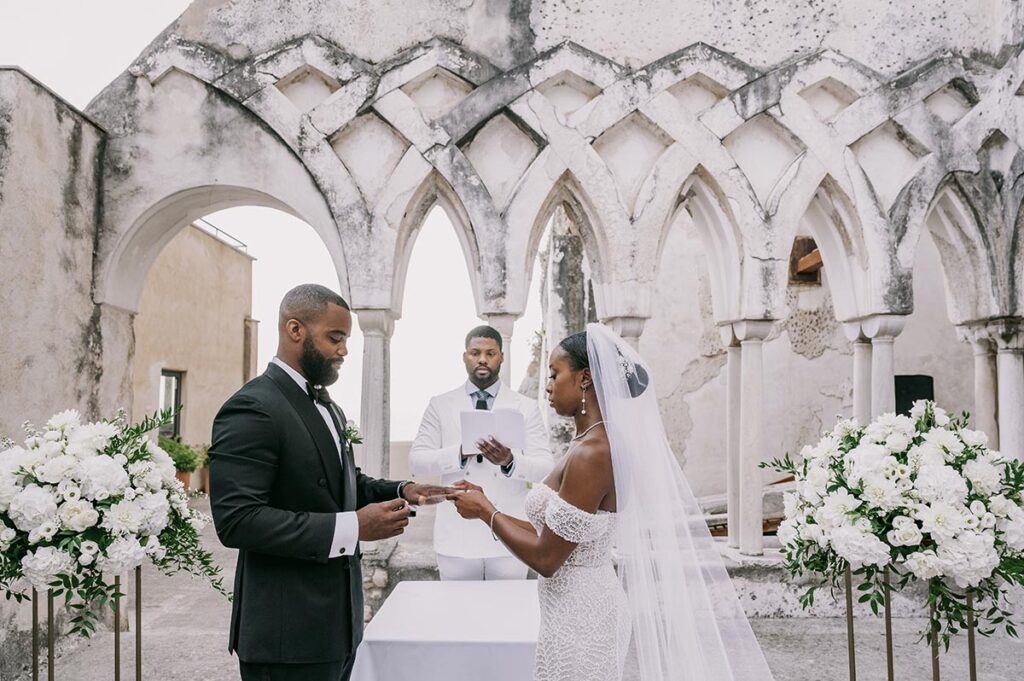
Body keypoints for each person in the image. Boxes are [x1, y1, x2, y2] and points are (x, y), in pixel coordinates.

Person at [450, 323, 775, 681]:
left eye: (555, 374)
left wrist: (486, 513)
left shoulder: (594, 453)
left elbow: (547, 558)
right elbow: (552, 534)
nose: (547, 386)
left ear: (585, 378)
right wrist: (485, 502)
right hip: (570, 612)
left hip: (583, 619)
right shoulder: (586, 443)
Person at [209, 284, 449, 681]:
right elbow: (238, 520)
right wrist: (355, 526)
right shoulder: (252, 406)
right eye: (335, 338)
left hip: (338, 628)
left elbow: (342, 482)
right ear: (295, 330)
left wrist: (402, 490)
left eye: (346, 340)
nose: (344, 351)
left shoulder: (325, 405)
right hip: (287, 636)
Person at [409, 325, 553, 580]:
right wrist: (460, 452)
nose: (483, 359)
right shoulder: (440, 405)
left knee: (507, 614)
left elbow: (545, 468)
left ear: (501, 357)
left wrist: (509, 461)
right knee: (459, 616)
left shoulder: (526, 407)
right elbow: (417, 462)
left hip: (510, 535)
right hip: (456, 536)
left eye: (490, 353)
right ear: (465, 356)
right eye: (475, 353)